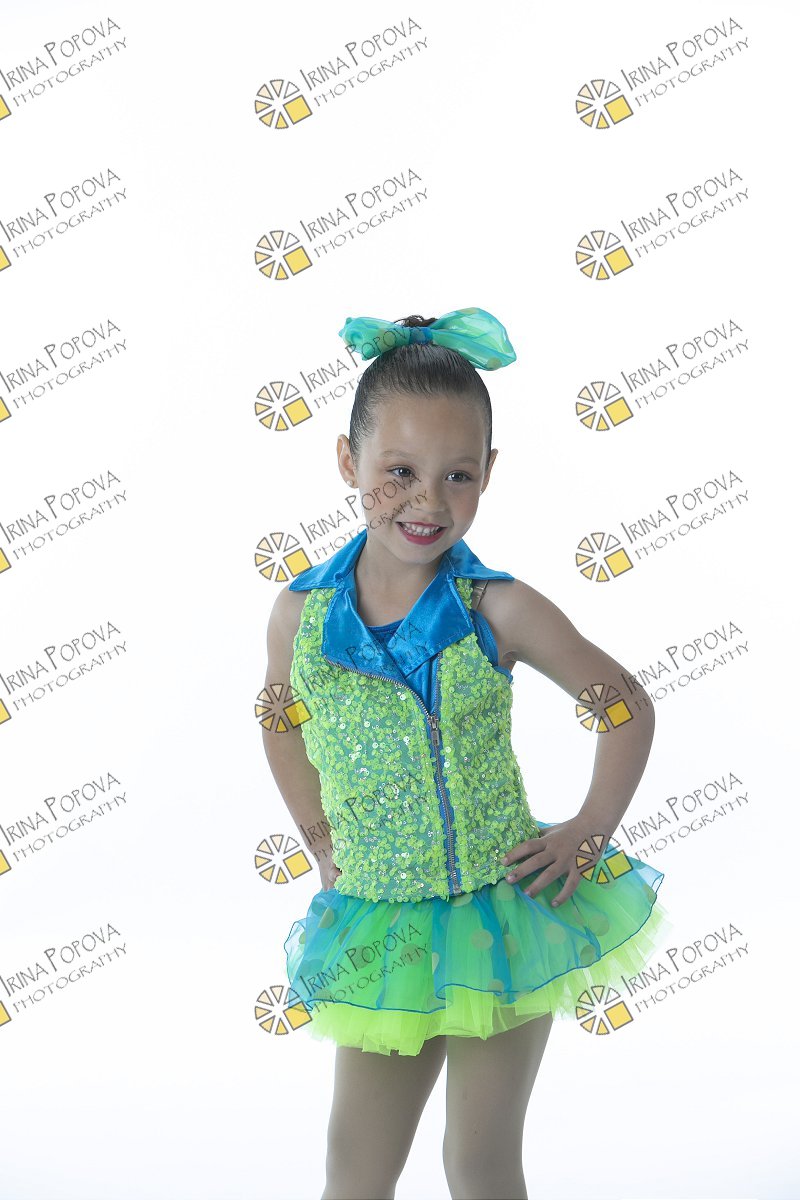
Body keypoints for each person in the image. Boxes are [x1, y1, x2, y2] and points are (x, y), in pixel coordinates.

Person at [262, 306, 673, 1200]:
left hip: (503, 916)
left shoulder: (499, 608)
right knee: (355, 1168)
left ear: (489, 471)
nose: (428, 502)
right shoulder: (301, 615)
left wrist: (590, 828)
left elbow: (624, 706)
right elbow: (279, 719)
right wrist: (318, 838)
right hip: (380, 925)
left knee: (478, 1163)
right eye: (399, 472)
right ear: (348, 462)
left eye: (458, 475)